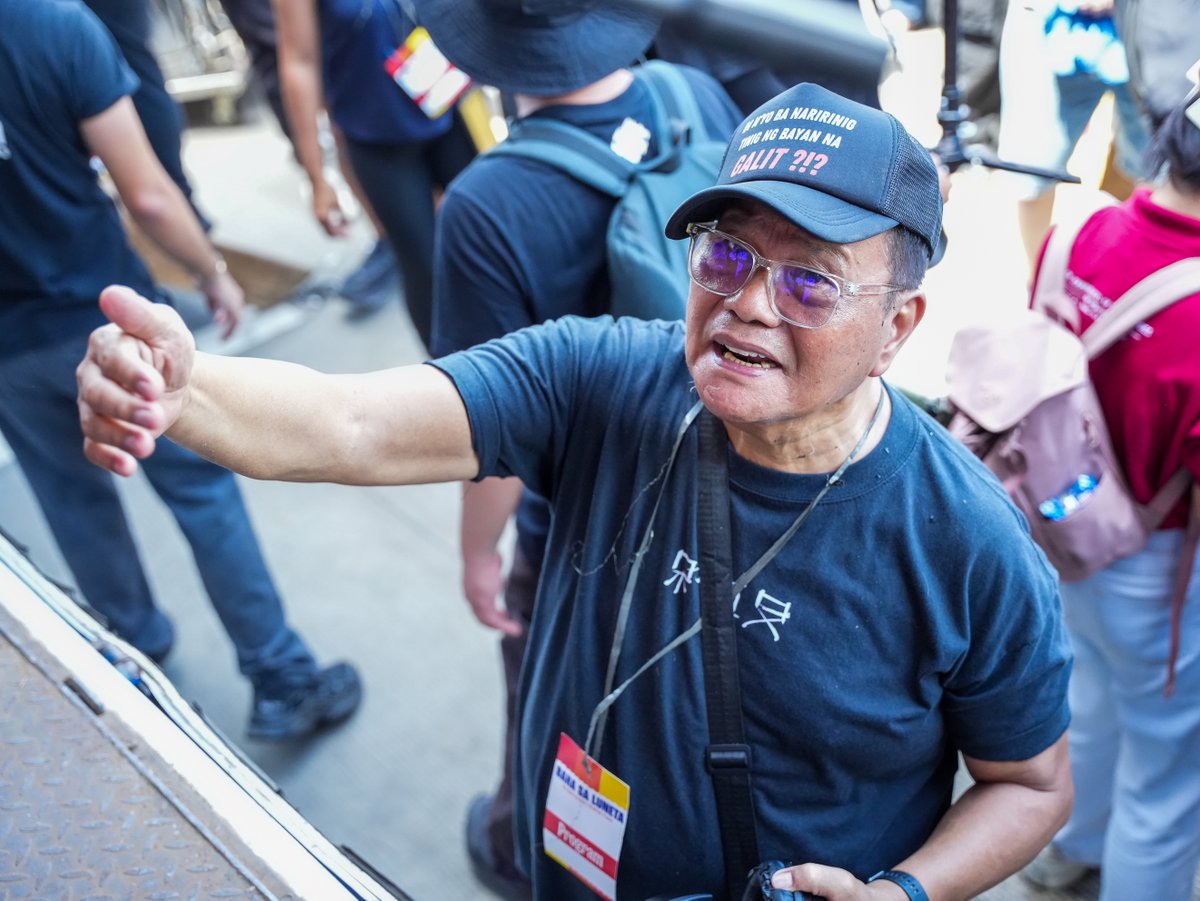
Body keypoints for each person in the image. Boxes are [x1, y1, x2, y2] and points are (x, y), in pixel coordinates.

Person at [78, 81, 1074, 901]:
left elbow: (1031, 786)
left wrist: (901, 894)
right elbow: (352, 423)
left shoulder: (969, 547)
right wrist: (180, 385)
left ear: (899, 327)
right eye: (726, 254)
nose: (746, 304)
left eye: (809, 283)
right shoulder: (602, 378)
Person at [418, 1, 741, 895]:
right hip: (713, 471)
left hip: (581, 523)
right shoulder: (696, 95)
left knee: (556, 702)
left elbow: (493, 439)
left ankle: (525, 848)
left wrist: (477, 550)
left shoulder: (488, 203)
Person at [0, 0, 360, 742]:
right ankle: (280, 676)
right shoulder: (53, 26)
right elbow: (151, 195)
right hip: (106, 316)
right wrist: (213, 273)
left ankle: (133, 675)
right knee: (202, 488)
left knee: (74, 506)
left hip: (10, 345)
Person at [1020, 77, 1200, 899]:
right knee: (1166, 774)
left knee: (1086, 698)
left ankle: (1068, 847)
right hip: (1153, 565)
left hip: (1055, 526)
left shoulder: (1080, 230)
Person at [272, 0, 476, 337]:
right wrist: (318, 177)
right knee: (423, 266)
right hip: (374, 134)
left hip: (448, 108)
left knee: (485, 237)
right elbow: (298, 63)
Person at [997, 0, 1151, 270]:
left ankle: (1128, 277)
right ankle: (1039, 285)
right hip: (1046, 16)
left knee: (1158, 169)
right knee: (1032, 165)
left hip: (1149, 20)